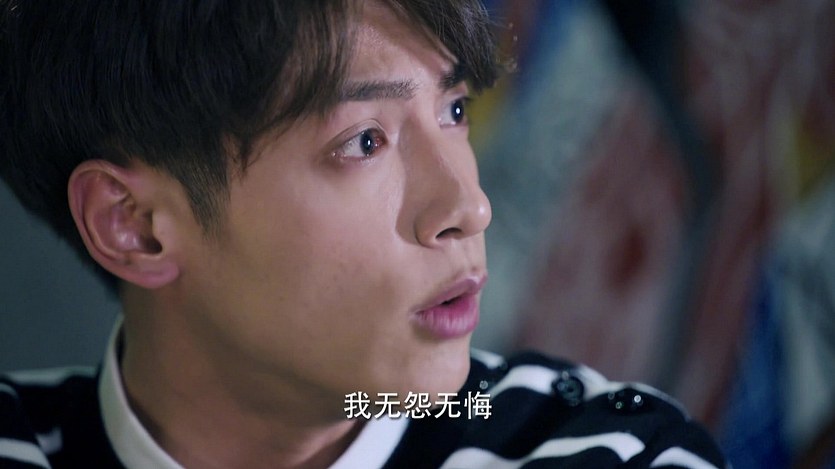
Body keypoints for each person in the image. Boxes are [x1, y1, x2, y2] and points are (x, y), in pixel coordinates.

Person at [0, 0, 727, 467]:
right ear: (134, 226)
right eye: (365, 142)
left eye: (454, 110)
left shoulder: (610, 452)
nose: (468, 207)